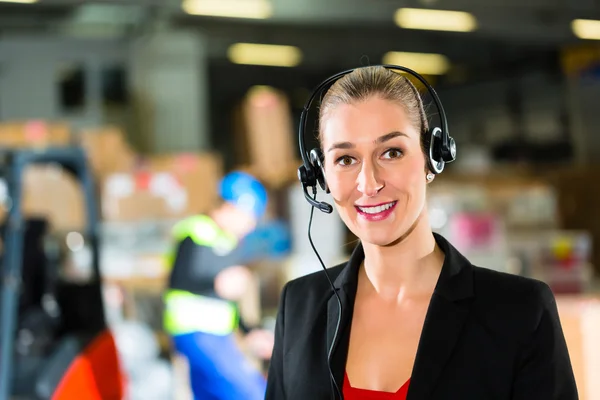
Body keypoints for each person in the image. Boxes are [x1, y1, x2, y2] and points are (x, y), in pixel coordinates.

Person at [265, 65, 578, 399]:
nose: (369, 183)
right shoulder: (299, 306)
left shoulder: (519, 311)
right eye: (345, 159)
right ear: (321, 175)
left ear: (432, 158)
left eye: (392, 152)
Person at [163, 171, 274, 400]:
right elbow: (178, 280)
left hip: (218, 335)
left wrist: (250, 331)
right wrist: (217, 283)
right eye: (249, 218)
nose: (251, 226)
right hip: (195, 332)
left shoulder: (230, 242)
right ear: (231, 208)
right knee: (254, 394)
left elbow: (227, 301)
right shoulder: (196, 232)